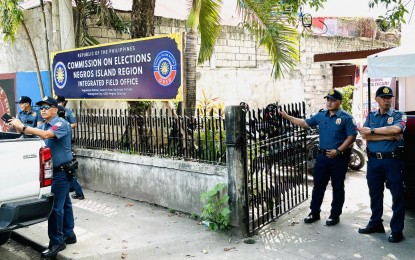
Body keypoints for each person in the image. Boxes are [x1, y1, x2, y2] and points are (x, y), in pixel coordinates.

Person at [9, 96, 77, 258]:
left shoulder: (60, 123)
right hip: (53, 171)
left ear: (55, 109)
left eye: (47, 107)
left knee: (55, 208)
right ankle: (69, 234)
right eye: (41, 108)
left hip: (59, 172)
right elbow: (30, 136)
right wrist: (19, 127)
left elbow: (46, 135)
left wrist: (24, 127)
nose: (43, 110)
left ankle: (56, 241)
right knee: (65, 204)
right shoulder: (45, 124)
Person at [279, 89, 357, 226]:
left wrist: (338, 151)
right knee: (318, 186)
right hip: (322, 157)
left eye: (333, 100)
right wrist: (287, 117)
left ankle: (334, 215)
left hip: (338, 158)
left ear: (340, 102)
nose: (329, 102)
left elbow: (351, 137)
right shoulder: (321, 115)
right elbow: (304, 123)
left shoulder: (346, 118)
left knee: (337, 186)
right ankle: (314, 212)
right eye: (328, 100)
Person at [357, 86, 406, 243]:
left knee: (397, 195)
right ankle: (376, 223)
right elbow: (363, 134)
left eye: (389, 97)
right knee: (375, 194)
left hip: (392, 160)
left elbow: (396, 129)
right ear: (377, 100)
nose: (387, 100)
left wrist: (372, 132)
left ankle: (397, 230)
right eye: (384, 97)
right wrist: (385, 135)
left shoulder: (399, 115)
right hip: (373, 162)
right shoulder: (371, 116)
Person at [57, 104, 85, 200]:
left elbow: (48, 134)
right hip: (67, 151)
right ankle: (77, 193)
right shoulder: (66, 123)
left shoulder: (59, 124)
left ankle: (79, 193)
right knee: (69, 174)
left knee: (69, 174)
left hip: (63, 153)